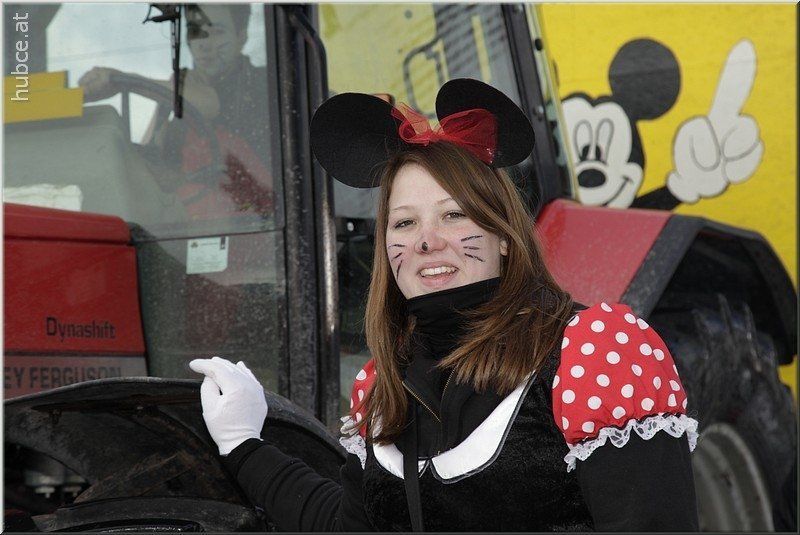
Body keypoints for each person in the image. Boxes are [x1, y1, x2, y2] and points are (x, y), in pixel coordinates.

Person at [189, 78, 700, 531]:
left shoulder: (594, 352)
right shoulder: (384, 386)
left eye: (453, 215)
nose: (426, 241)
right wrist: (243, 442)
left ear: (503, 235)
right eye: (405, 223)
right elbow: (345, 526)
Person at [79, 4, 273, 219]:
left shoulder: (264, 83)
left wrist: (123, 80)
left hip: (254, 218)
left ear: (241, 38)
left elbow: (208, 105)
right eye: (195, 31)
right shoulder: (179, 89)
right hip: (185, 222)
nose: (204, 43)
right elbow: (152, 153)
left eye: (218, 32)